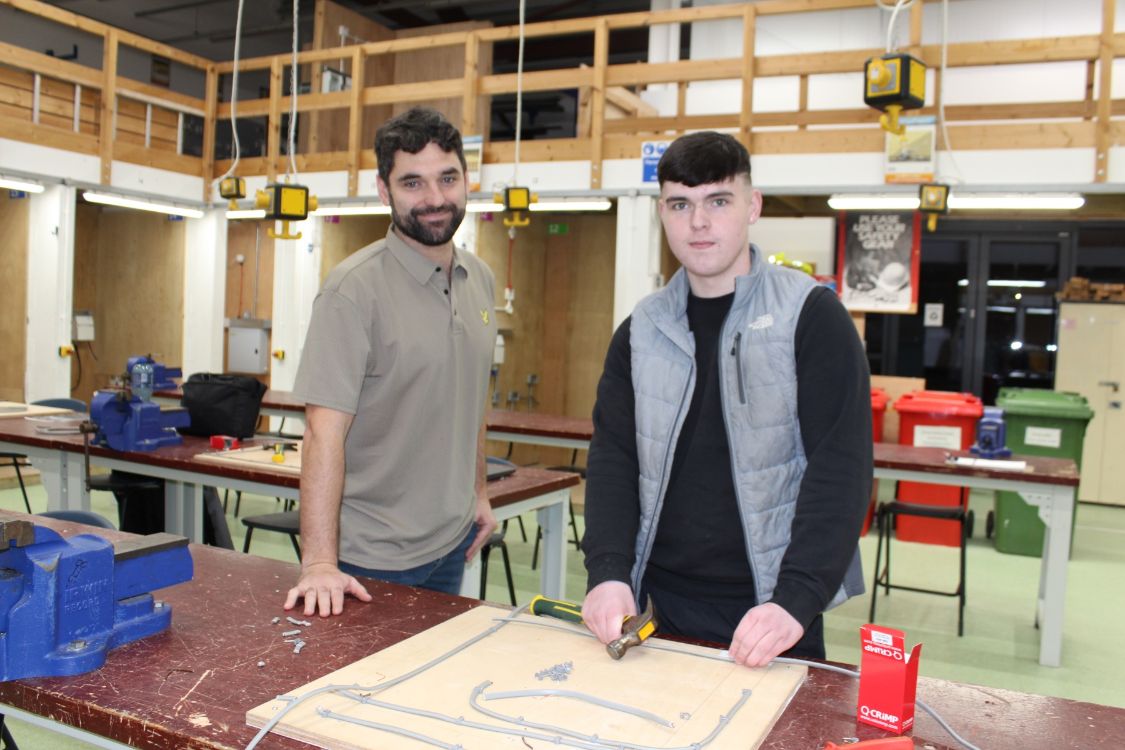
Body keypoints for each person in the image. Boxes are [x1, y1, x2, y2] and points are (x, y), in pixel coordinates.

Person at [581, 131, 871, 667]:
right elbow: (614, 459)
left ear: (752, 205)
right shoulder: (641, 330)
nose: (698, 222)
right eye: (680, 204)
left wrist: (796, 600)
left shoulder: (810, 317)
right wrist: (608, 573)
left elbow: (840, 468)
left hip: (771, 616)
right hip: (654, 610)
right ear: (662, 213)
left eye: (718, 200)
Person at [284, 107, 498, 617]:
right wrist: (318, 563)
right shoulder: (352, 292)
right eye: (412, 183)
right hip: (371, 559)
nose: (434, 199)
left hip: (452, 541)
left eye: (447, 178)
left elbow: (472, 400)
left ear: (467, 180)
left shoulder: (481, 280)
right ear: (384, 191)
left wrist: (479, 494)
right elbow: (322, 433)